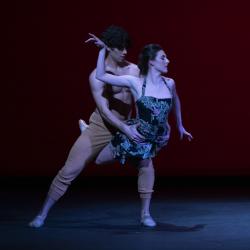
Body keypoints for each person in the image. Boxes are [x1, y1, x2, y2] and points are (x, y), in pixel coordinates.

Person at [29, 25, 155, 228]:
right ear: (109, 48)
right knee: (70, 169)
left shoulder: (133, 70)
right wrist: (125, 130)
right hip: (101, 126)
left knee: (146, 162)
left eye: (126, 47)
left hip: (127, 124)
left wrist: (141, 126)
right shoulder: (96, 75)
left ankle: (145, 214)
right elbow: (105, 111)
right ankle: (42, 215)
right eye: (120, 47)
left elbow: (142, 99)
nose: (125, 51)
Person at [85, 33, 193, 224]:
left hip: (154, 138)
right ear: (151, 62)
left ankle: (145, 215)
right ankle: (87, 131)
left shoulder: (170, 83)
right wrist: (103, 50)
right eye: (163, 57)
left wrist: (180, 125)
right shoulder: (136, 82)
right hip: (135, 134)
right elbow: (101, 75)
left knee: (147, 165)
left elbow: (176, 101)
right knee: (100, 161)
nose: (168, 60)